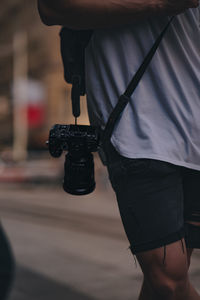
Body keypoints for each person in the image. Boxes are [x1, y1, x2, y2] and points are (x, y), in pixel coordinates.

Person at [38, 1, 200, 299]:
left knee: (164, 281)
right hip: (135, 122)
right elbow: (52, 6)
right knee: (168, 278)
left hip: (194, 123)